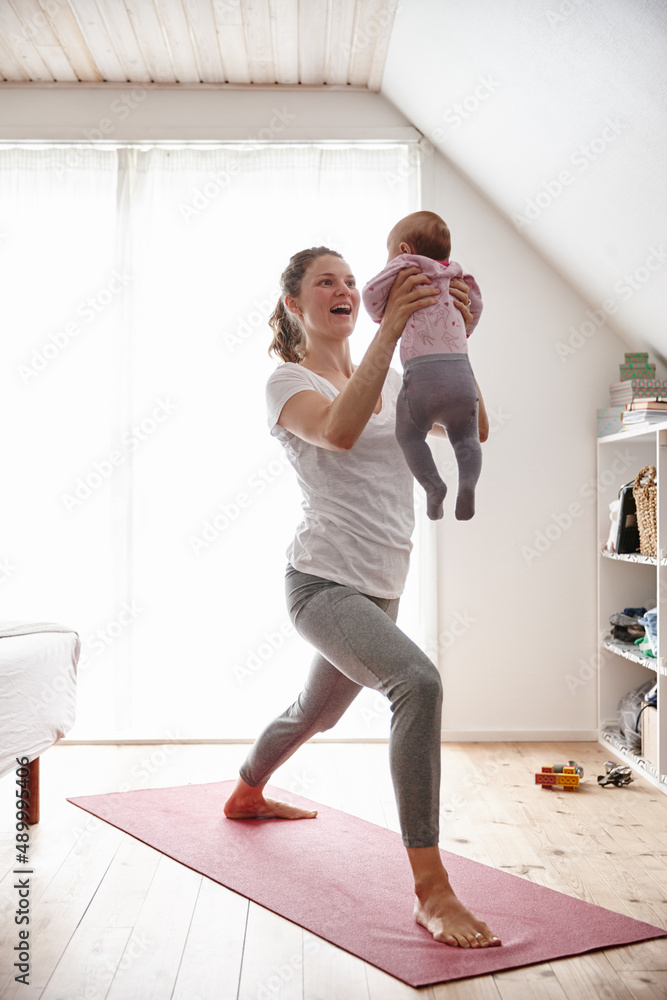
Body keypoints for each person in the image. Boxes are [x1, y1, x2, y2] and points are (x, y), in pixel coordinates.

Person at [223, 245, 499, 949]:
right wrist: (389, 333)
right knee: (418, 683)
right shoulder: (284, 381)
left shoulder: (397, 376)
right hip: (320, 583)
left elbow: (473, 427)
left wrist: (449, 341)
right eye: (325, 282)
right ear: (295, 303)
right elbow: (338, 432)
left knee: (311, 712)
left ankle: (247, 791)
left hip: (380, 589)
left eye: (350, 279)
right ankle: (431, 891)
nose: (343, 289)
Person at [362, 211, 483, 521]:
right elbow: (475, 304)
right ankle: (467, 484)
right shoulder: (458, 275)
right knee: (466, 438)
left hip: (422, 380)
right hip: (461, 377)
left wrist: (384, 314)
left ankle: (433, 487)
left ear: (403, 250)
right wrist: (463, 329)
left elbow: (370, 295)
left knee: (410, 437)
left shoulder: (405, 268)